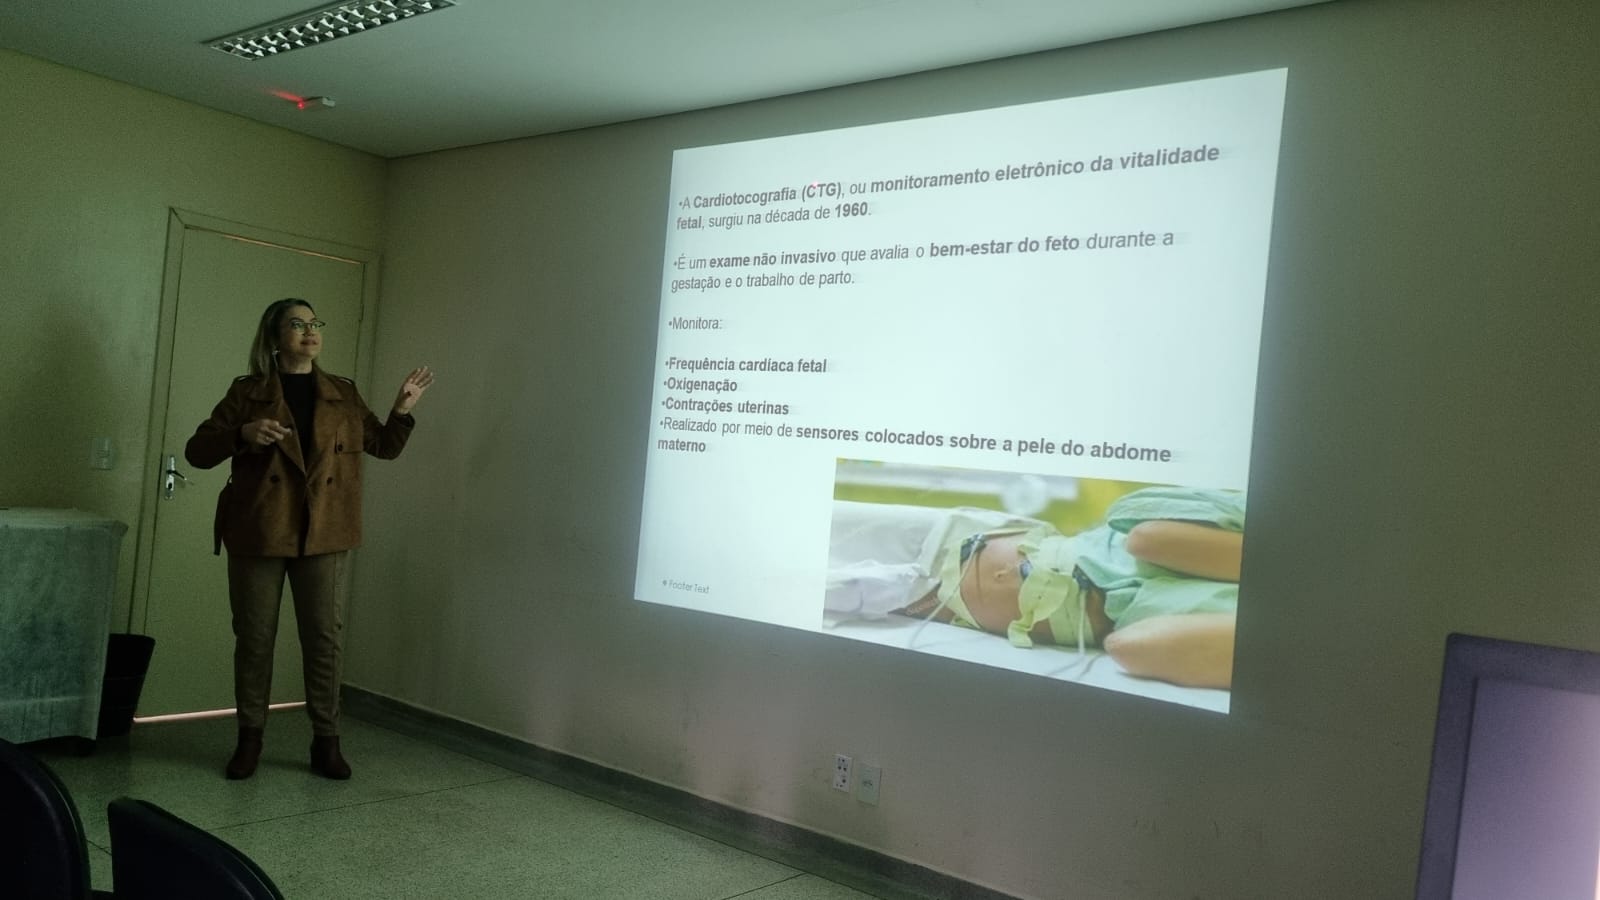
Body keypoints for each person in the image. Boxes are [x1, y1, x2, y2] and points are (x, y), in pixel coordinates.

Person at [185, 298, 433, 780]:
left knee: (324, 640)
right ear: (275, 337)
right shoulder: (248, 392)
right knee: (254, 639)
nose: (309, 331)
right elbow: (197, 451)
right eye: (296, 324)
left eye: (314, 322)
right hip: (260, 530)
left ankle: (326, 741)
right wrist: (243, 433)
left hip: (324, 532)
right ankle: (250, 739)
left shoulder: (342, 392)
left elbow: (383, 447)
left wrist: (401, 410)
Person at [826, 486, 1244, 689]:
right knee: (804, 518)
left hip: (938, 607)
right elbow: (1143, 537)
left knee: (797, 586)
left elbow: (1129, 648)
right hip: (964, 536)